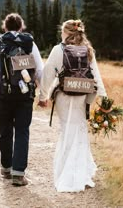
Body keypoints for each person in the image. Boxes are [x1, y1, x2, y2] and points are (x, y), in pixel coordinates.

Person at [39, 19, 107, 192]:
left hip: (63, 95)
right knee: (79, 129)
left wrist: (43, 96)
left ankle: (67, 175)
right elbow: (96, 77)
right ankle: (80, 174)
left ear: (66, 33)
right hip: (82, 95)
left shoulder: (58, 50)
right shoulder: (88, 51)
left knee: (67, 130)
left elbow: (47, 74)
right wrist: (105, 99)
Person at [0, 13, 43, 186]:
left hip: (3, 94)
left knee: (5, 130)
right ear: (21, 27)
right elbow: (40, 70)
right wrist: (43, 95)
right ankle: (18, 174)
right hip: (24, 95)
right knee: (22, 131)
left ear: (4, 27)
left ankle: (6, 167)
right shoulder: (29, 42)